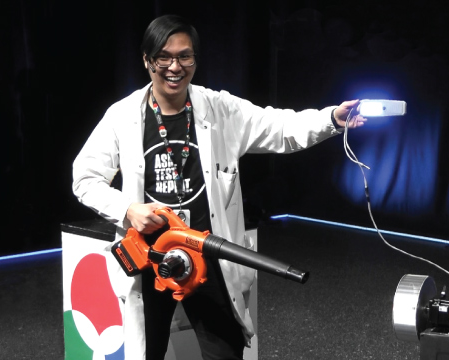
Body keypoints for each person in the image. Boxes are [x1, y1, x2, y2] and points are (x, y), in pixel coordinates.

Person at [72, 14, 366, 360]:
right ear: (147, 60)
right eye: (164, 57)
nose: (175, 66)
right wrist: (127, 209)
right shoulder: (121, 116)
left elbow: (281, 127)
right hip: (149, 259)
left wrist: (331, 119)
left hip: (208, 256)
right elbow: (84, 178)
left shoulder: (220, 109)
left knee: (224, 352)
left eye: (185, 56)